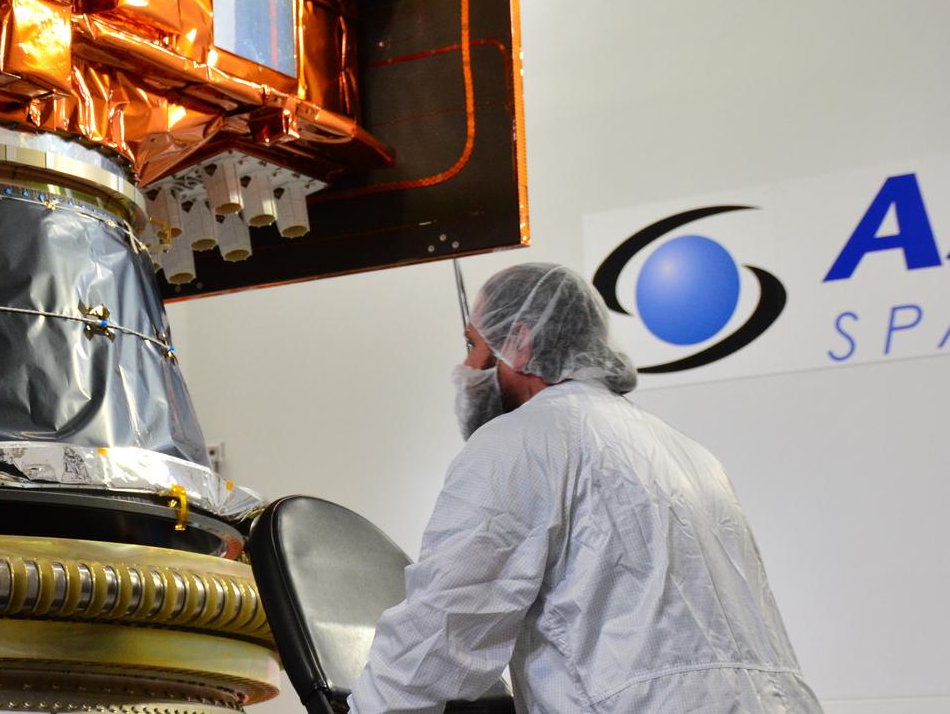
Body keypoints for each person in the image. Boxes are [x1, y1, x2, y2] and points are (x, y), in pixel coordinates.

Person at [349, 263, 820, 713]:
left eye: (473, 344)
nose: (466, 366)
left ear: (519, 341)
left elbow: (443, 628)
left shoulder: (524, 440)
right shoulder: (690, 454)